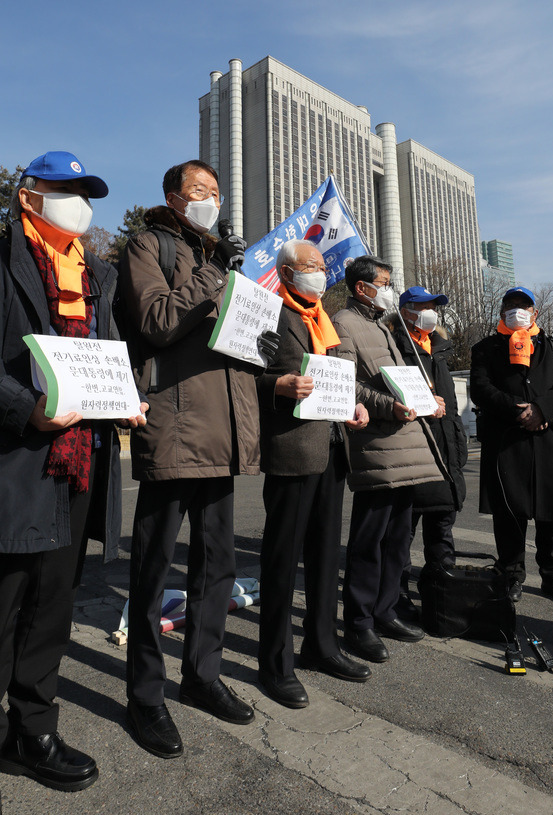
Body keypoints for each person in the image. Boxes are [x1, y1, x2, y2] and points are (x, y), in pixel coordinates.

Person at [0, 151, 146, 792]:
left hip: (79, 464)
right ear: (28, 195)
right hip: (16, 460)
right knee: (4, 603)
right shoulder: (3, 258)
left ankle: (33, 730)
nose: (79, 203)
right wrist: (25, 409)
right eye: (64, 189)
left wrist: (128, 399)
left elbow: (108, 357)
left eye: (86, 192)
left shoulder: (97, 277)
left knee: (52, 608)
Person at [120, 160, 268, 759]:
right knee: (154, 569)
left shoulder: (225, 261)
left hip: (224, 431)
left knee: (217, 566)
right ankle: (145, 695)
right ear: (173, 198)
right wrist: (213, 272)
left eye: (215, 192)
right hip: (177, 427)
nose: (209, 201)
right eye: (197, 192)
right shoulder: (146, 243)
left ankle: (202, 674)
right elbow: (155, 321)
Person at [257, 239, 371, 709]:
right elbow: (243, 375)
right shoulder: (268, 314)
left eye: (323, 266)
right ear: (285, 272)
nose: (320, 273)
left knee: (326, 557)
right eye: (311, 266)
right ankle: (274, 663)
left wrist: (355, 404)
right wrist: (277, 385)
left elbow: (342, 377)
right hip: (292, 450)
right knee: (282, 561)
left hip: (332, 449)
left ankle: (322, 644)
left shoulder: (324, 317)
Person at [331, 256, 445, 663]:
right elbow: (346, 386)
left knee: (398, 541)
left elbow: (400, 380)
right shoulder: (344, 323)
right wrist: (389, 407)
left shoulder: (384, 326)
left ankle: (385, 611)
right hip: (377, 450)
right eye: (383, 282)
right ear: (362, 287)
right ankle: (359, 623)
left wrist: (425, 399)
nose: (389, 289)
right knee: (369, 542)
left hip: (408, 446)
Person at [470, 286, 553, 603]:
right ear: (501, 313)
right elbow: (481, 388)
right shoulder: (485, 348)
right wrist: (516, 410)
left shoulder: (551, 347)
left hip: (547, 438)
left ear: (535, 313)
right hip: (506, 439)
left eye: (524, 305)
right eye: (511, 305)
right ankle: (510, 574)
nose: (517, 310)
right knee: (509, 512)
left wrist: (541, 410)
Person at [392, 286, 467, 618]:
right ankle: (396, 595)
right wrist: (422, 404)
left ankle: (441, 589)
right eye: (423, 305)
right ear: (407, 310)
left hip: (445, 459)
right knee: (401, 534)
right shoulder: (395, 347)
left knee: (441, 531)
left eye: (434, 306)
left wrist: (459, 449)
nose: (430, 312)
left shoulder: (437, 351)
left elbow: (450, 411)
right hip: (413, 457)